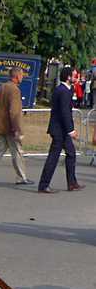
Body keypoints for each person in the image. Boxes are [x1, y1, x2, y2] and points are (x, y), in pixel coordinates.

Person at [0, 67, 32, 186]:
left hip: (0, 125)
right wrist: (16, 128)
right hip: (10, 127)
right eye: (21, 75)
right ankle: (21, 177)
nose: (22, 77)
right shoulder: (14, 90)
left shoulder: (3, 87)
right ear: (17, 76)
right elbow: (14, 111)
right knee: (18, 152)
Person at [38, 65, 84, 193]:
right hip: (59, 130)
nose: (77, 77)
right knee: (53, 157)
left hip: (62, 130)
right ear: (68, 77)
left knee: (71, 154)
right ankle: (43, 185)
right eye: (75, 75)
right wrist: (71, 130)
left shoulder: (67, 89)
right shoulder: (63, 91)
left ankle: (72, 183)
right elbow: (64, 113)